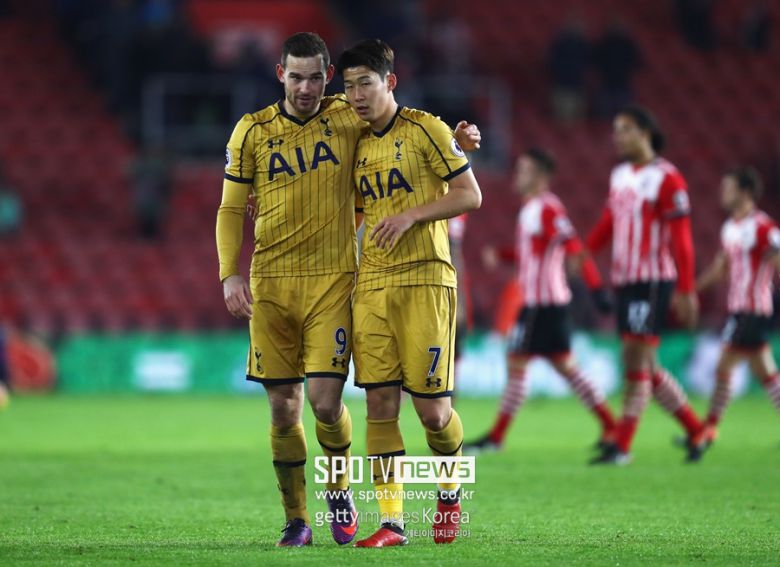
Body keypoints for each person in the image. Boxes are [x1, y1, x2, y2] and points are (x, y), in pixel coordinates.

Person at [216, 32, 480, 547]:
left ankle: (356, 490)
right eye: (296, 77)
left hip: (338, 283)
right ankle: (303, 520)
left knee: (328, 404)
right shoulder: (252, 130)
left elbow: (404, 126)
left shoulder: (347, 117)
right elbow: (230, 207)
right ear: (280, 75)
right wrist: (230, 272)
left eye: (316, 77)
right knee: (288, 408)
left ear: (328, 77)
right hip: (276, 285)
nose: (306, 87)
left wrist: (456, 139)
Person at [337, 39, 482, 547]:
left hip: (426, 278)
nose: (356, 95)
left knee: (433, 414)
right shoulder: (354, 142)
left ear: (390, 82)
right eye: (349, 86)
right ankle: (392, 522)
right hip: (373, 284)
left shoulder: (427, 129)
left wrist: (411, 215)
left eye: (365, 83)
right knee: (379, 403)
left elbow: (470, 194)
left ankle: (450, 491)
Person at [464, 148, 616, 455]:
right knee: (565, 368)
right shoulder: (531, 209)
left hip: (543, 305)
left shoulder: (547, 209)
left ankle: (496, 438)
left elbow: (574, 247)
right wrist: (504, 255)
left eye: (525, 171)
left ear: (541, 177)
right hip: (540, 306)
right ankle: (611, 426)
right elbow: (530, 255)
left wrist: (596, 288)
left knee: (519, 363)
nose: (517, 176)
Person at [587, 105, 703, 465]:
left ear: (645, 133)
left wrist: (686, 289)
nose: (617, 137)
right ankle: (696, 430)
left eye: (624, 129)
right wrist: (586, 251)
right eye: (616, 130)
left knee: (636, 358)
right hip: (625, 280)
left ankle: (622, 444)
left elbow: (682, 239)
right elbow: (610, 220)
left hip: (653, 280)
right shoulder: (620, 175)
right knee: (643, 364)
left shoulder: (667, 178)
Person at [693, 167, 780, 460]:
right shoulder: (729, 227)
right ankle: (707, 431)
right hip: (738, 309)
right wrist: (691, 290)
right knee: (766, 373)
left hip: (754, 309)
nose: (722, 194)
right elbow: (721, 270)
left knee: (724, 366)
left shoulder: (763, 228)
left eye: (728, 188)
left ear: (745, 192)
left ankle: (707, 431)